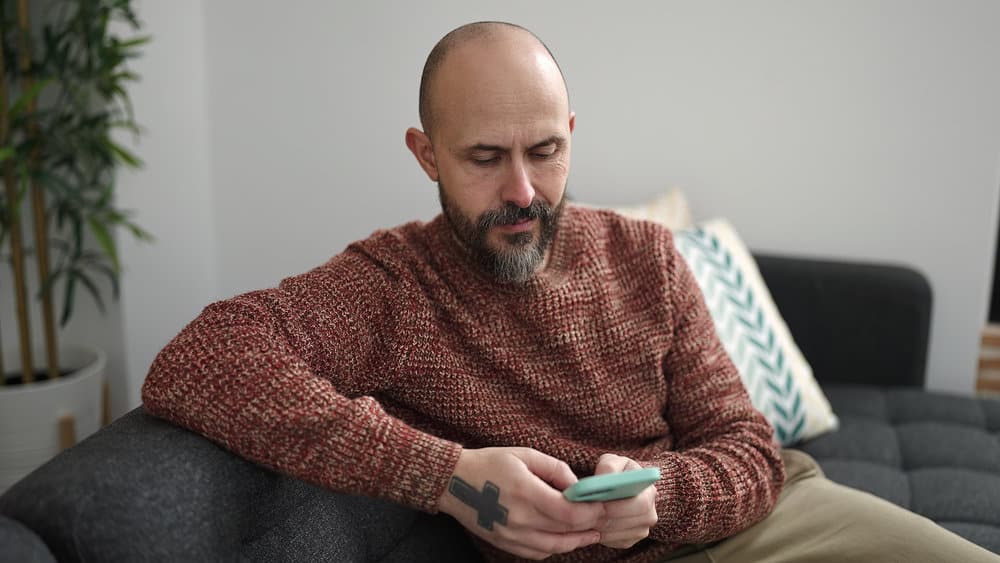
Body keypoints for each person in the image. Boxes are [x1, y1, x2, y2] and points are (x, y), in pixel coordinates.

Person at [141, 21, 1000, 563]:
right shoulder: (390, 286)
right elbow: (199, 359)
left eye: (545, 150)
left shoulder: (646, 257)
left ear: (572, 137)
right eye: (485, 157)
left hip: (752, 529)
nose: (522, 190)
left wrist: (659, 495)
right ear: (425, 153)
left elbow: (747, 449)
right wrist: (451, 477)